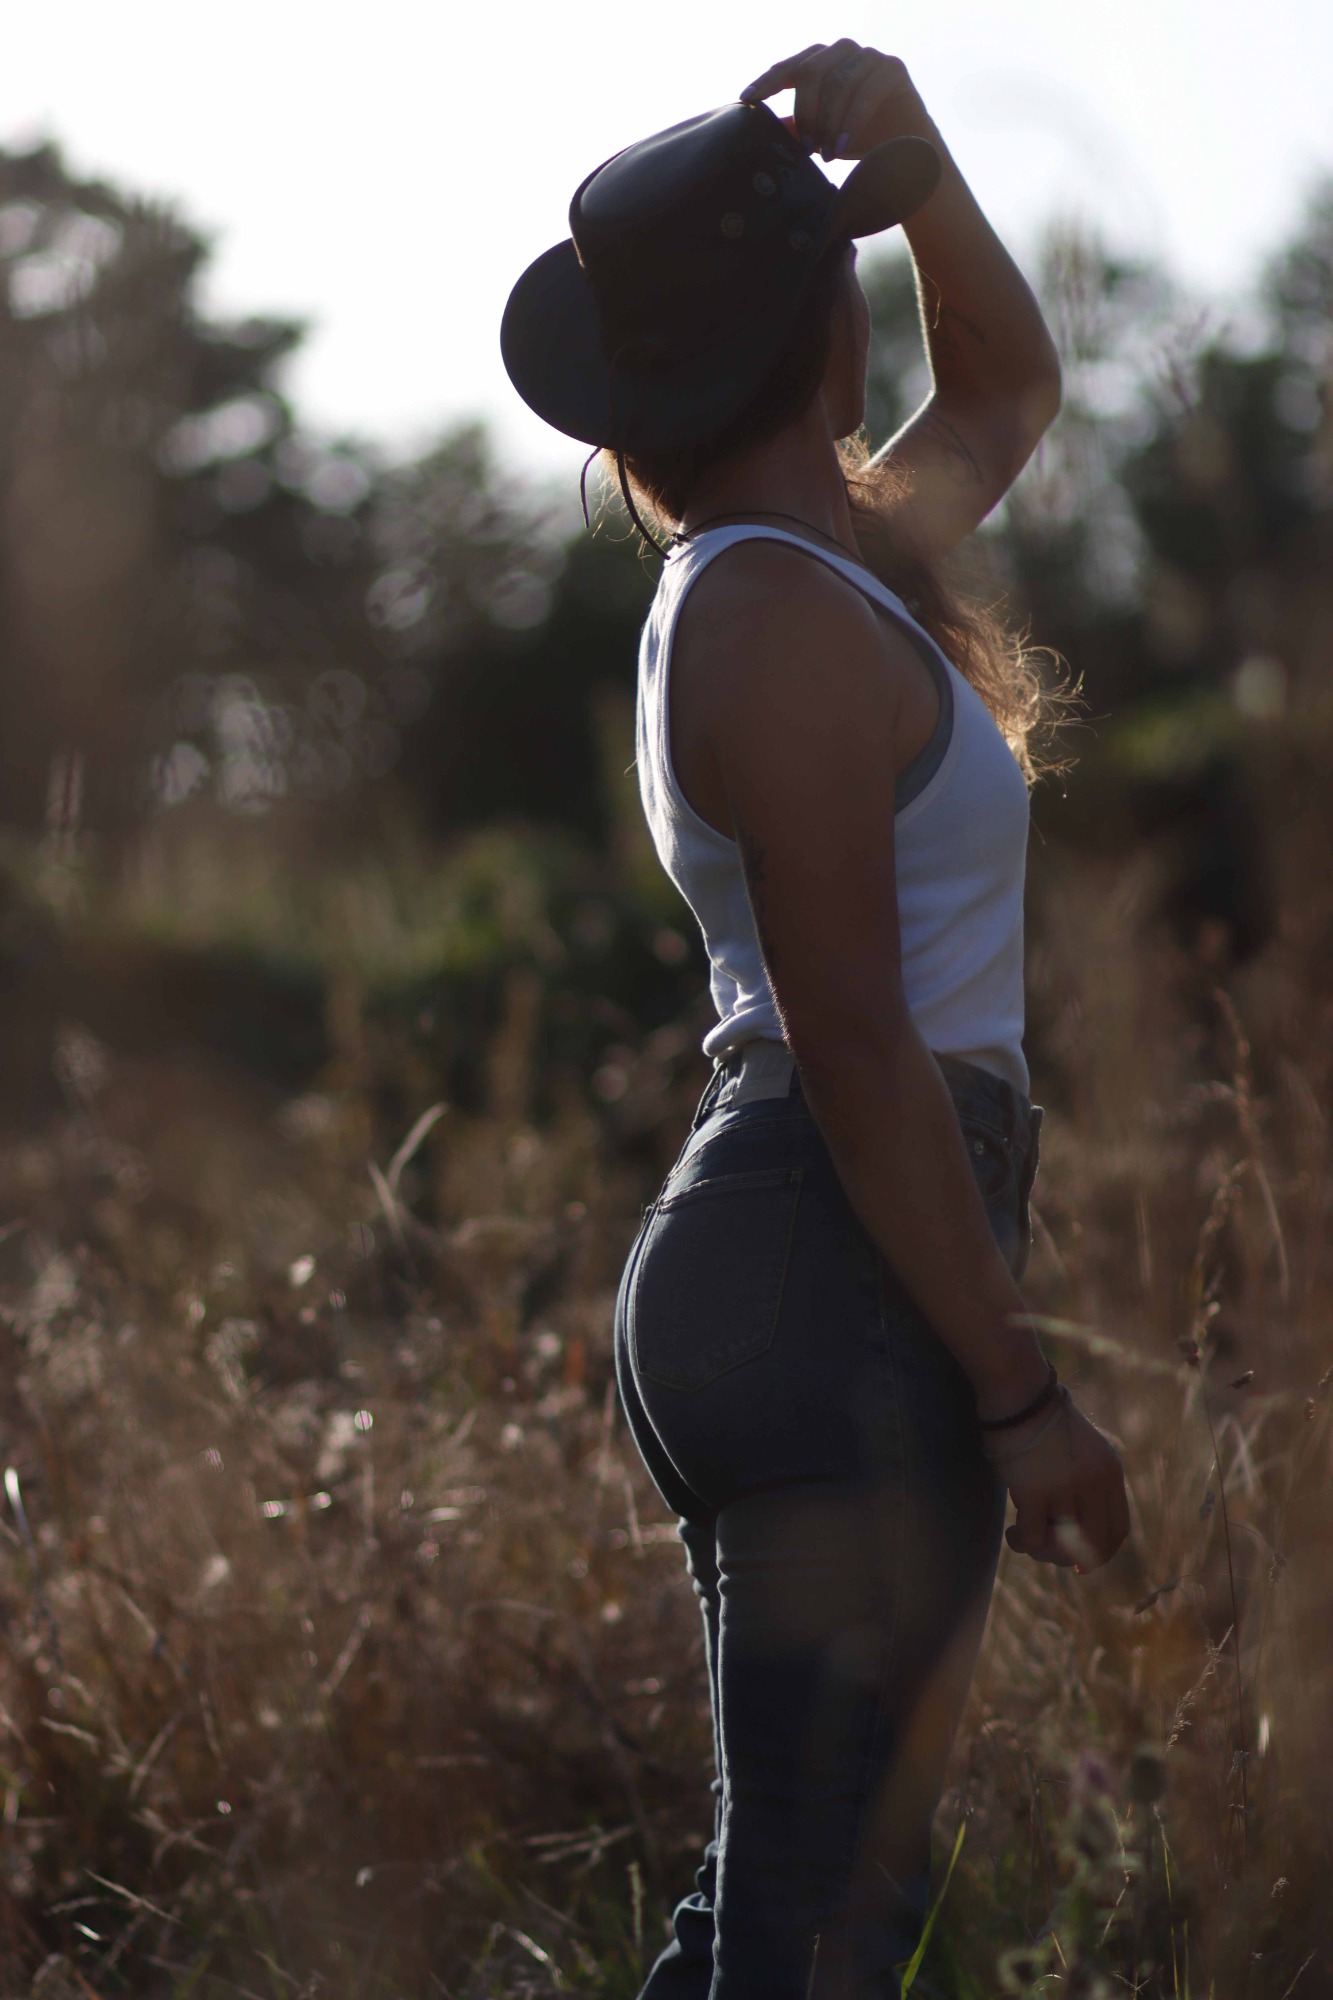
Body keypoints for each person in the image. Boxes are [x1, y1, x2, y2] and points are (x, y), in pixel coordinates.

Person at [501, 39, 1130, 1999]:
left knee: (795, 1906)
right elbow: (855, 1041)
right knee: (814, 1922)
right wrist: (1018, 1393)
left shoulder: (811, 566)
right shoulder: (774, 613)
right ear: (822, 343)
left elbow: (1008, 389)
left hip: (804, 1252)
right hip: (830, 1251)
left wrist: (919, 173)